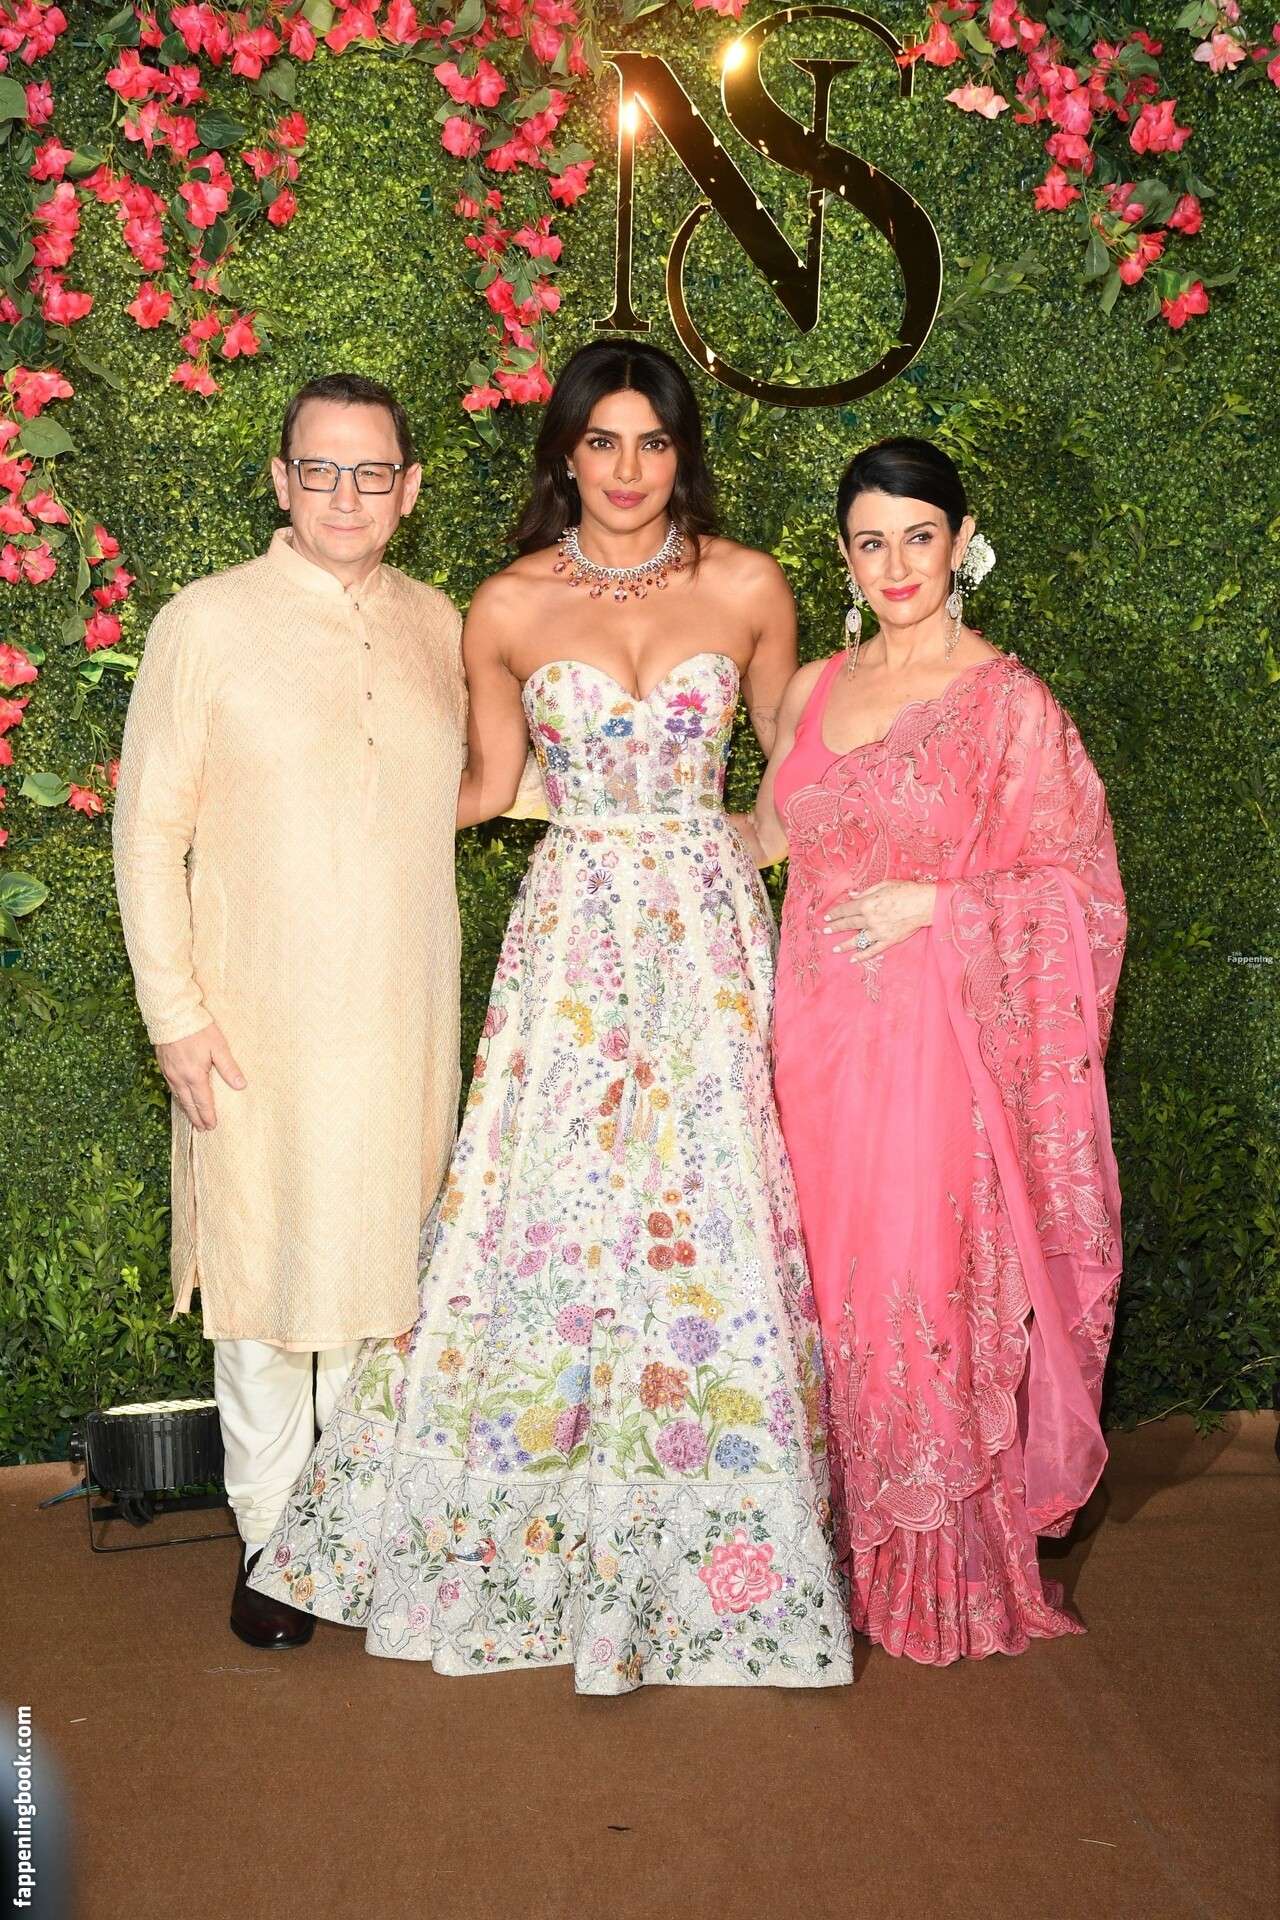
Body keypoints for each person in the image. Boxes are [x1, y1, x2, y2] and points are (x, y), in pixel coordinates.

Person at [250, 341, 853, 1694]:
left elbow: (796, 771)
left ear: (681, 456)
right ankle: (518, 1539)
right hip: (571, 936)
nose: (627, 470)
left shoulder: (749, 586)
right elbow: (480, 784)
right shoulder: (509, 604)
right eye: (600, 442)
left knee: (710, 1210)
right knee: (546, 1217)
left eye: (653, 442)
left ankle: (716, 1552)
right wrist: (309, 806)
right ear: (565, 456)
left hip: (703, 938)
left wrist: (746, 851)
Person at [732, 437, 1126, 1664]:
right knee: (813, 1286)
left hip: (931, 1052)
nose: (896, 565)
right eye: (870, 542)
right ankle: (819, 1552)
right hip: (810, 1048)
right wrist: (611, 815)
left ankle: (930, 1571)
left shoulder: (1007, 704)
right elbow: (760, 839)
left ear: (960, 542)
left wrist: (940, 907)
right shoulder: (812, 687)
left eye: (918, 537)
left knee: (911, 1286)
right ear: (842, 556)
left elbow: (1081, 892)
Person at [113, 374, 468, 1650]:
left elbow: (497, 784)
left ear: (408, 489)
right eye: (320, 469)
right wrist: (175, 1016)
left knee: (381, 1288)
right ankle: (272, 1542)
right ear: (281, 480)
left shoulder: (439, 626)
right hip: (250, 1021)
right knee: (264, 1291)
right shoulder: (204, 622)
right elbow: (146, 832)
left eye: (371, 472)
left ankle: (356, 1530)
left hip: (401, 1021)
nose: (344, 496)